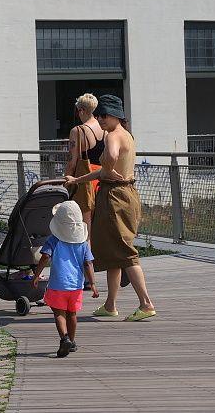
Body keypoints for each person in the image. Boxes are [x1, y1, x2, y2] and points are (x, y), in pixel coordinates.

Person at [65, 95, 156, 322]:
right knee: (113, 251)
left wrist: (107, 165)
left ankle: (146, 304)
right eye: (99, 115)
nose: (101, 119)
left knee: (125, 251)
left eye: (104, 115)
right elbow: (103, 172)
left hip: (115, 197)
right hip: (125, 192)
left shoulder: (113, 136)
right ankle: (110, 304)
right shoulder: (127, 135)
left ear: (116, 116)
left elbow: (111, 159)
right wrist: (77, 180)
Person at [32, 201, 99, 358]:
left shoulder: (54, 240)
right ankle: (73, 342)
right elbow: (88, 263)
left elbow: (45, 257)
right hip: (76, 285)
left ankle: (65, 338)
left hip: (57, 284)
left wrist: (36, 275)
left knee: (59, 313)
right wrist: (93, 284)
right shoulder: (82, 243)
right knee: (72, 314)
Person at [64, 93, 105, 243]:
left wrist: (66, 182)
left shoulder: (78, 131)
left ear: (81, 110)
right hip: (101, 179)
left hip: (84, 181)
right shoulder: (104, 129)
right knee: (98, 226)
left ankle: (87, 264)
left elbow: (72, 161)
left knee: (84, 228)